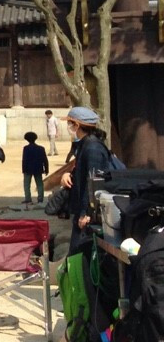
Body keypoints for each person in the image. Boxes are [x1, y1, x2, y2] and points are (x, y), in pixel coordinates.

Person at [60, 107, 113, 255]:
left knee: (80, 254)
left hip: (89, 214)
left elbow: (94, 183)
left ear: (77, 125)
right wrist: (68, 174)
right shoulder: (84, 144)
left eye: (70, 123)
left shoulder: (93, 148)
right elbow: (82, 172)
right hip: (81, 209)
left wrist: (86, 212)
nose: (68, 127)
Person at [20, 130, 49, 208]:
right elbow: (45, 160)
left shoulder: (26, 148)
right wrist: (46, 169)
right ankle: (40, 199)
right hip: (38, 168)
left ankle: (28, 199)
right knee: (39, 184)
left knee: (26, 184)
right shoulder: (41, 148)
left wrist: (23, 169)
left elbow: (24, 160)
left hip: (28, 168)